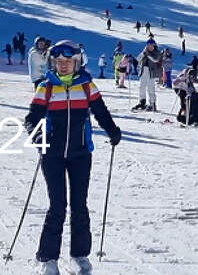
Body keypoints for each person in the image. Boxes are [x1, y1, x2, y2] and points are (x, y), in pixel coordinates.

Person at [23, 39, 121, 275]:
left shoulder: (87, 86)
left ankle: (79, 256)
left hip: (80, 153)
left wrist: (112, 130)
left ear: (77, 62)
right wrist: (38, 137)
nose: (63, 65)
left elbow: (100, 111)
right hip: (52, 155)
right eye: (59, 61)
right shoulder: (46, 87)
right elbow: (31, 119)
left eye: (68, 61)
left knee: (80, 205)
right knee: (57, 205)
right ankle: (48, 258)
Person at [134, 39, 162, 111]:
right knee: (142, 87)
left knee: (150, 88)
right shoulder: (145, 51)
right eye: (148, 45)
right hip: (143, 70)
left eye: (151, 45)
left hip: (151, 72)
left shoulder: (157, 52)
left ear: (154, 45)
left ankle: (152, 104)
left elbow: (155, 60)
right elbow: (138, 59)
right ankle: (142, 101)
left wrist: (148, 54)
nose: (150, 46)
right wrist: (143, 53)